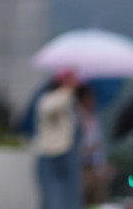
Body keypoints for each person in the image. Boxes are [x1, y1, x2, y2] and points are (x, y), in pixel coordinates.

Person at [33, 70, 81, 209]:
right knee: (54, 202)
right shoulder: (48, 99)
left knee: (70, 202)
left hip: (68, 158)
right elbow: (49, 108)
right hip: (51, 158)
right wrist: (68, 90)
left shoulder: (71, 105)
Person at [76, 85, 109, 206]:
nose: (93, 101)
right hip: (81, 169)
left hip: (95, 169)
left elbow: (100, 146)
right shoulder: (76, 119)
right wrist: (87, 150)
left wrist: (102, 166)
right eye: (90, 98)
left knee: (99, 202)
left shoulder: (94, 119)